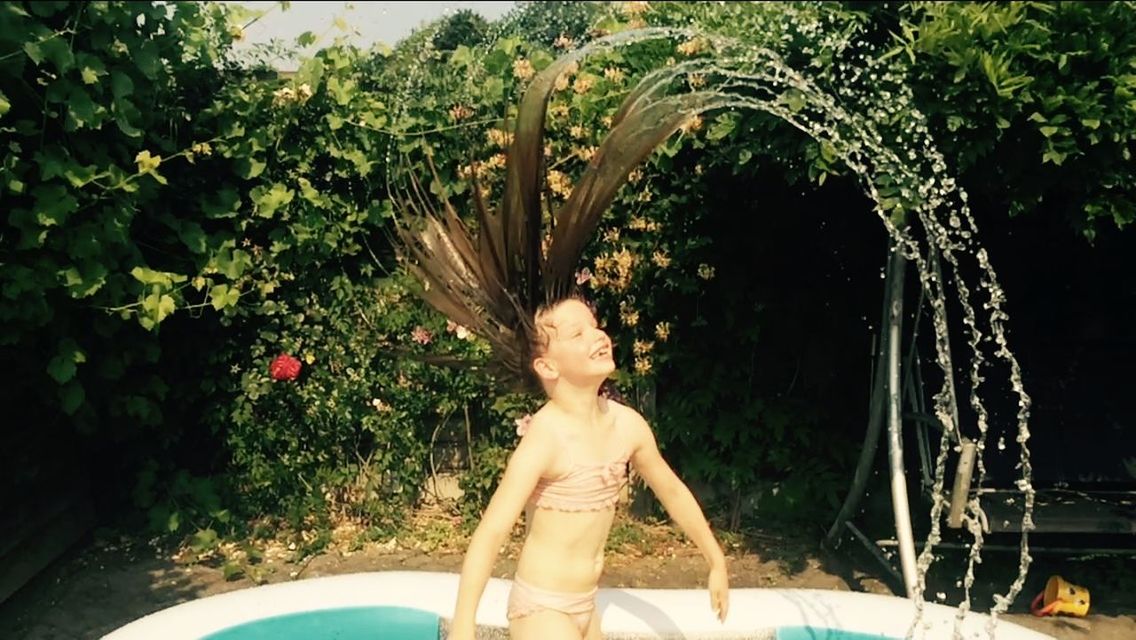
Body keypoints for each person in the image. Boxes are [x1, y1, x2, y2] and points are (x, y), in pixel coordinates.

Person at [446, 296, 729, 640]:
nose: (597, 336)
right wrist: (463, 625)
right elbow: (491, 532)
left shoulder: (627, 425)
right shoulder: (544, 438)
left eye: (594, 326)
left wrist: (715, 559)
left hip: (586, 606)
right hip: (541, 609)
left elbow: (671, 491)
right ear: (548, 367)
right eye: (577, 334)